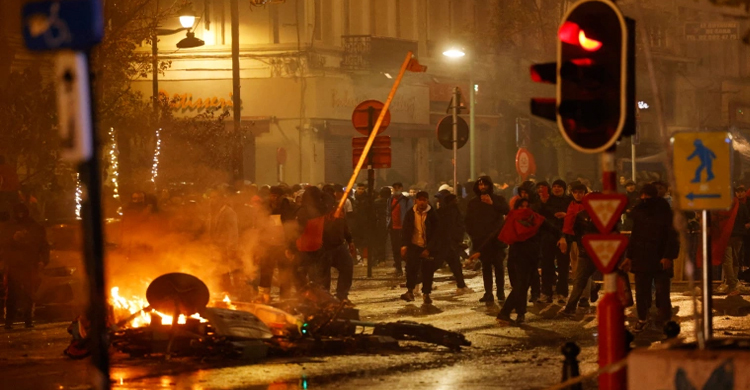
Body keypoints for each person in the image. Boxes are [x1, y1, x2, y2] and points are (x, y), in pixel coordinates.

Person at [472, 199, 565, 325]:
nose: (524, 209)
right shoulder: (512, 218)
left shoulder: (536, 219)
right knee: (520, 286)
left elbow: (553, 229)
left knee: (523, 286)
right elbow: (495, 235)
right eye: (521, 206)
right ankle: (505, 313)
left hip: (533, 256)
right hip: (518, 256)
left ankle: (519, 313)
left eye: (527, 206)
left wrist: (562, 238)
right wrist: (480, 251)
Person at [620, 183, 679, 333]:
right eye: (643, 195)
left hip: (660, 258)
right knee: (641, 291)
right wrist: (630, 257)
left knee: (662, 292)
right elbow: (635, 235)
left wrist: (668, 256)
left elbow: (672, 236)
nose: (645, 198)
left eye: (648, 195)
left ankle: (664, 320)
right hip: (641, 257)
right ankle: (642, 319)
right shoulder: (639, 211)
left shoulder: (665, 211)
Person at [465, 176, 510, 304]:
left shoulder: (498, 199)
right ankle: (488, 293)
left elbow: (507, 211)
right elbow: (468, 220)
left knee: (499, 267)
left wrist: (492, 204)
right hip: (481, 241)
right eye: (480, 185)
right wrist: (473, 235)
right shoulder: (473, 202)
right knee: (486, 268)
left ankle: (500, 292)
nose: (483, 187)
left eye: (485, 184)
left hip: (496, 240)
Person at [3, 204, 49, 329]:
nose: (20, 215)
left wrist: (43, 261)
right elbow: (3, 245)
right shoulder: (10, 227)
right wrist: (13, 239)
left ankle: (27, 320)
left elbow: (43, 245)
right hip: (14, 266)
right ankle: (9, 321)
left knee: (29, 294)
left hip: (29, 265)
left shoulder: (35, 227)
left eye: (22, 212)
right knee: (12, 295)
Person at [558, 183, 600, 317]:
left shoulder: (598, 213)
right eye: (575, 192)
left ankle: (583, 299)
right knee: (579, 274)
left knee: (580, 275)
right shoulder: (574, 208)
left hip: (593, 248)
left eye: (580, 192)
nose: (577, 195)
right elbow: (573, 227)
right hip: (579, 244)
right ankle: (590, 289)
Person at [257, 186, 298, 302]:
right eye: (271, 195)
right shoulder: (265, 208)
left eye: (275, 196)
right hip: (268, 245)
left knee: (284, 272)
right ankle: (264, 296)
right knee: (265, 271)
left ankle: (284, 298)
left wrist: (290, 246)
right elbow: (260, 226)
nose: (273, 198)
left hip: (282, 245)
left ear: (281, 197)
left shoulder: (287, 207)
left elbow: (291, 227)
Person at [399, 191, 439, 304]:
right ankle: (410, 291)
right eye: (420, 200)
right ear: (415, 201)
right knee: (411, 269)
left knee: (427, 271)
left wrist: (429, 249)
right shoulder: (410, 213)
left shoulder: (432, 214)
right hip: (413, 245)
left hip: (427, 247)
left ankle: (426, 294)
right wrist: (404, 245)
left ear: (427, 201)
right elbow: (405, 230)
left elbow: (436, 233)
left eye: (424, 200)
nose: (422, 202)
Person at [538, 180, 572, 304]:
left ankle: (562, 293)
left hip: (564, 237)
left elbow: (573, 216)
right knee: (547, 265)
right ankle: (546, 292)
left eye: (559, 187)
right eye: (555, 186)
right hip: (548, 237)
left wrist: (566, 215)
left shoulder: (568, 201)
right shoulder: (547, 200)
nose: (557, 189)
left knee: (563, 266)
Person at [715, 186, 750, 295]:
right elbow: (748, 222)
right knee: (734, 260)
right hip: (738, 236)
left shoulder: (724, 207)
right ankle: (733, 284)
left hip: (728, 236)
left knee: (728, 261)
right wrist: (742, 229)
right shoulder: (742, 206)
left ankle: (732, 284)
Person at [434, 192, 472, 294]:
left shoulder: (442, 211)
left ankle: (461, 285)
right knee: (437, 265)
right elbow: (457, 227)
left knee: (454, 265)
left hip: (447, 243)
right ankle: (414, 284)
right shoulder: (452, 211)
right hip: (448, 244)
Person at [388, 182, 413, 277]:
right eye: (395, 188)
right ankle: (398, 268)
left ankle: (408, 268)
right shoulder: (390, 200)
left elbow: (409, 214)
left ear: (401, 188)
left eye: (398, 188)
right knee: (395, 249)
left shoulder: (406, 200)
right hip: (393, 228)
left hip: (403, 228)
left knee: (405, 248)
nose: (396, 190)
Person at [372, 187, 392, 266]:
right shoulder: (391, 202)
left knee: (380, 242)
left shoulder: (376, 202)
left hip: (379, 223)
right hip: (390, 222)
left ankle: (380, 258)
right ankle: (385, 258)